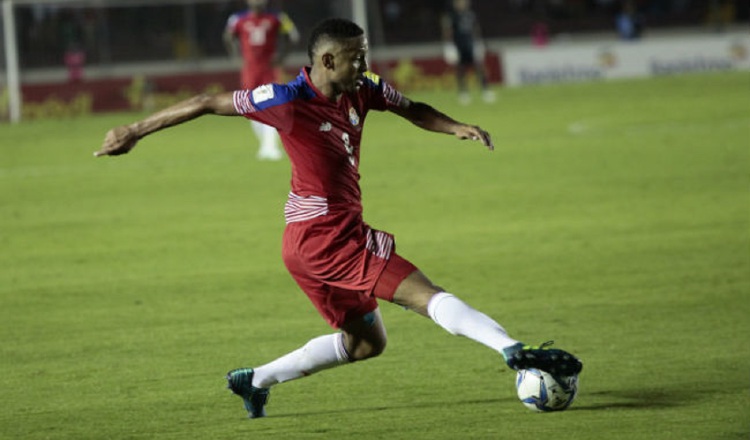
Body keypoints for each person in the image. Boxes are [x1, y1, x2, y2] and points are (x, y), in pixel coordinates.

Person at [95, 18, 582, 419]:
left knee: (367, 344)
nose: (366, 65)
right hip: (329, 239)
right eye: (357, 57)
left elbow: (413, 108)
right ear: (327, 60)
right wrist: (134, 130)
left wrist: (455, 128)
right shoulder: (285, 101)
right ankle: (512, 349)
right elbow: (206, 102)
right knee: (424, 295)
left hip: (306, 248)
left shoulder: (363, 89)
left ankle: (256, 380)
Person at [224, 0, 300, 160]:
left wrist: (282, 57)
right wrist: (237, 58)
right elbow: (228, 37)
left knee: (272, 104)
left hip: (269, 68)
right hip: (250, 69)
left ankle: (270, 146)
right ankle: (265, 145)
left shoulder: (277, 17)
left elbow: (293, 36)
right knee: (250, 106)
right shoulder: (237, 19)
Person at [441, 0, 495, 105]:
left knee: (479, 67)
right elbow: (447, 31)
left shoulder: (471, 14)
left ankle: (485, 90)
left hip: (471, 44)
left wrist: (479, 42)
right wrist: (449, 46)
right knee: (460, 69)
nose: (462, 4)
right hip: (458, 45)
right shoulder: (451, 16)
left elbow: (476, 28)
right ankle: (463, 93)